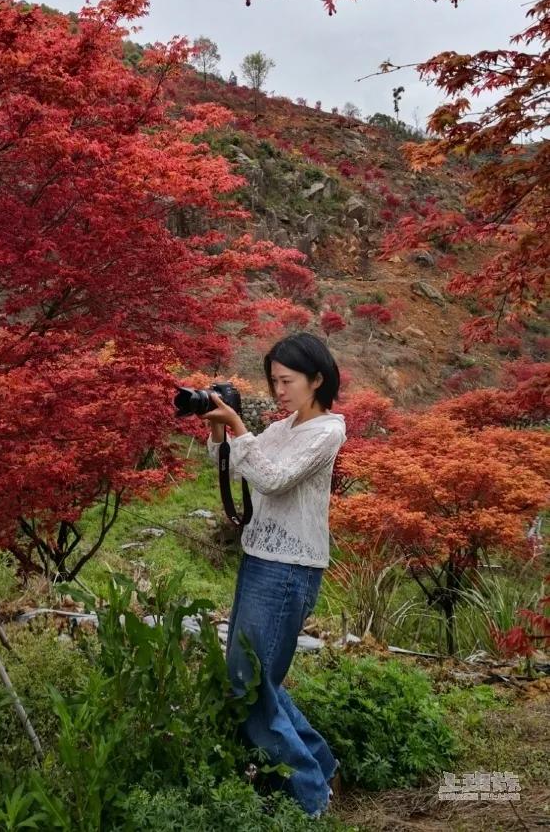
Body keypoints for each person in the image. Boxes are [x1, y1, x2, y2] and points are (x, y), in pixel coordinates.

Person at [203, 331, 345, 819]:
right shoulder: (284, 427)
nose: (278, 390)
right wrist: (222, 430)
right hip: (260, 559)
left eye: (287, 381)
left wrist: (240, 427)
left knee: (249, 683)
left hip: (289, 570)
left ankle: (309, 799)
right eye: (273, 380)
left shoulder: (327, 431)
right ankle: (322, 768)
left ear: (317, 379)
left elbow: (271, 478)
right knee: (254, 680)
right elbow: (238, 465)